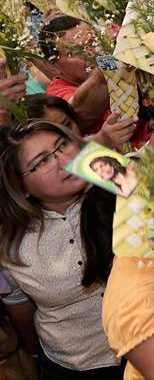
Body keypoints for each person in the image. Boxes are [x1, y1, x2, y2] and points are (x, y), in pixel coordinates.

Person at [0, 120, 123, 379]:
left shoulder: (110, 176)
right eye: (41, 161)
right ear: (22, 188)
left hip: (151, 342)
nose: (62, 160)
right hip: (73, 365)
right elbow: (20, 309)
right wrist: (33, 355)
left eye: (63, 145)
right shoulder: (11, 245)